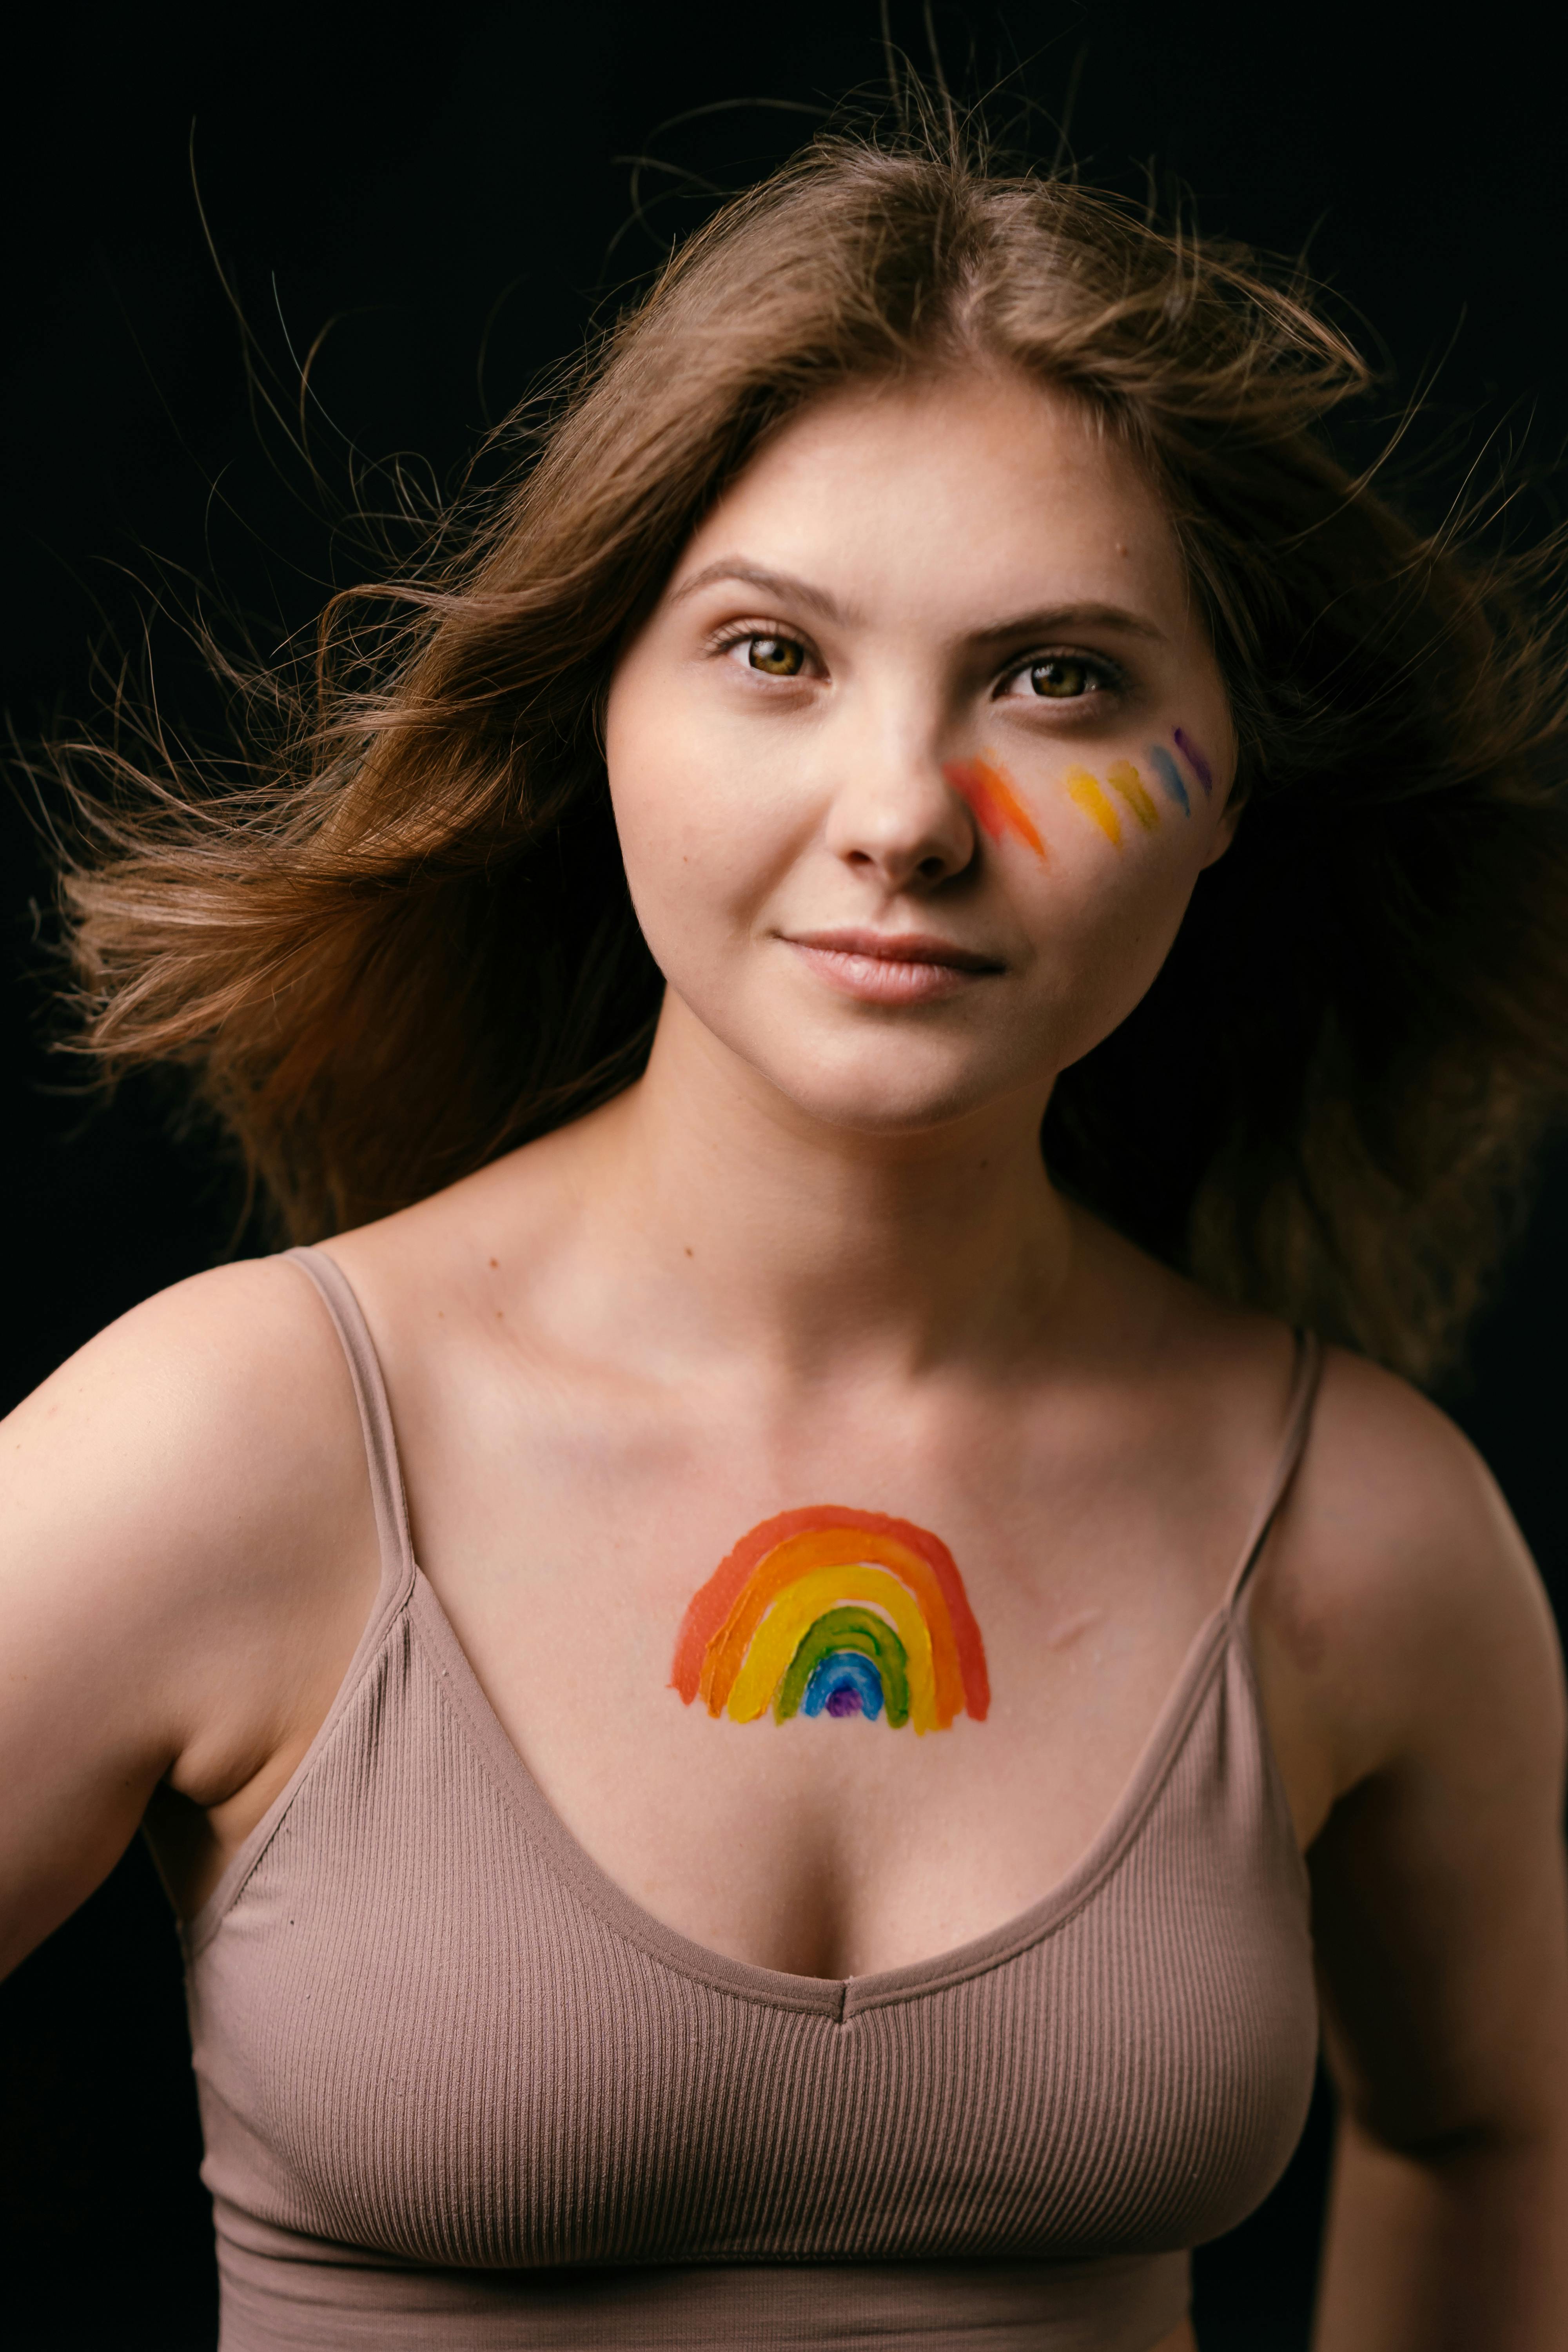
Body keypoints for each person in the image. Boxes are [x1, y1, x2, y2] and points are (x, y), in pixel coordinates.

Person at [4, 119, 1568, 2352]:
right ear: (601, 714)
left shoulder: (1365, 1536)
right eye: (772, 653)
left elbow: (1487, 2136)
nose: (905, 817)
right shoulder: (242, 1445)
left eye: (1062, 683)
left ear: (1229, 780)